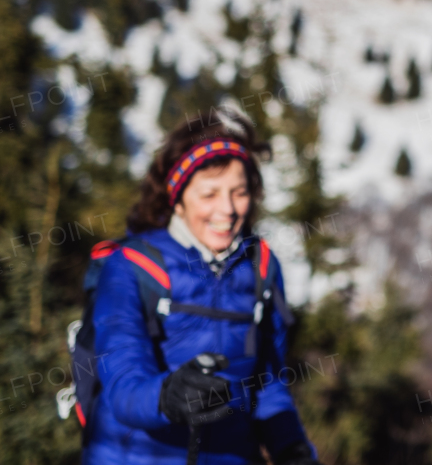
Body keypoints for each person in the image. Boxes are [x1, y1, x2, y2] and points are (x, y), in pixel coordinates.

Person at [85, 110, 318, 465]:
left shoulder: (262, 269)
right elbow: (122, 382)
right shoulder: (131, 267)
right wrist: (166, 396)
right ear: (177, 198)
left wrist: (292, 447)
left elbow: (267, 381)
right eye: (209, 194)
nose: (227, 209)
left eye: (239, 193)